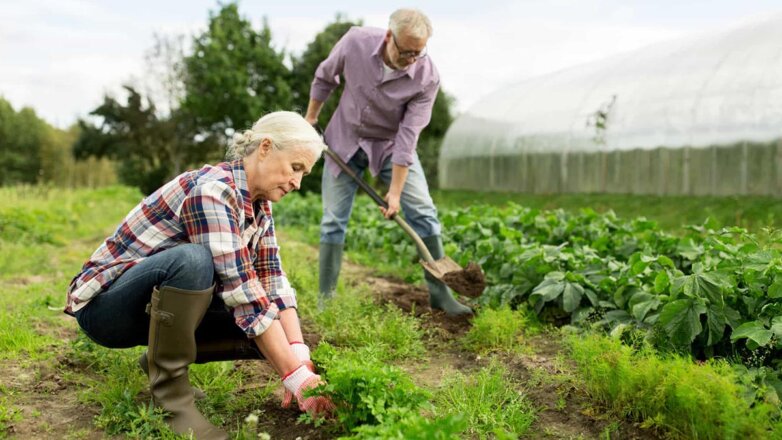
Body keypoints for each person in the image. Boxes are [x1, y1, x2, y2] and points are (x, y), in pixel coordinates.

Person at [64, 111, 335, 439]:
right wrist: (294, 378)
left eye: (304, 173)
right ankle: (173, 402)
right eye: (295, 168)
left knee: (271, 327)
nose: (297, 182)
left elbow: (271, 278)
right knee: (193, 262)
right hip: (106, 310)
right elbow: (244, 293)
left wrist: (299, 359)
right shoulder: (213, 191)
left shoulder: (259, 205)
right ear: (265, 148)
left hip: (151, 307)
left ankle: (158, 360)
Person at [305, 8, 472, 316]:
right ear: (388, 36)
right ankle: (325, 301)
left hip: (390, 146)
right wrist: (310, 119)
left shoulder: (427, 77)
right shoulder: (355, 42)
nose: (411, 59)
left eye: (417, 53)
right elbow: (325, 77)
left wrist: (395, 192)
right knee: (333, 221)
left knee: (423, 212)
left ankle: (441, 295)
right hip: (345, 139)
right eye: (405, 51)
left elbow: (409, 138)